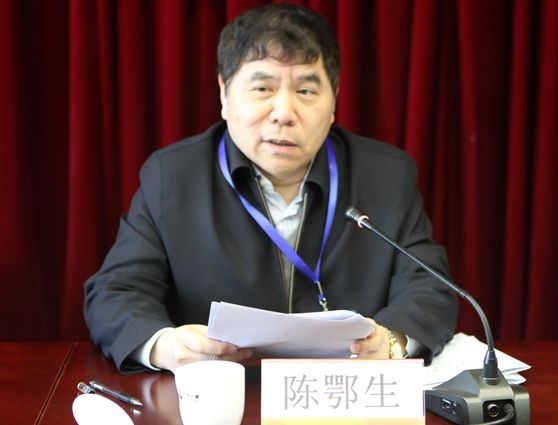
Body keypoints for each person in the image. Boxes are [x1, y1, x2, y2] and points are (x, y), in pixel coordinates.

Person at [84, 2, 458, 373]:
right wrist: (165, 345)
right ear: (224, 93)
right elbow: (116, 292)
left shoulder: (386, 176)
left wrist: (392, 341)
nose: (283, 113)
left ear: (333, 100)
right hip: (224, 390)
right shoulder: (173, 177)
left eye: (306, 91)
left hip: (345, 390)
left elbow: (430, 287)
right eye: (263, 88)